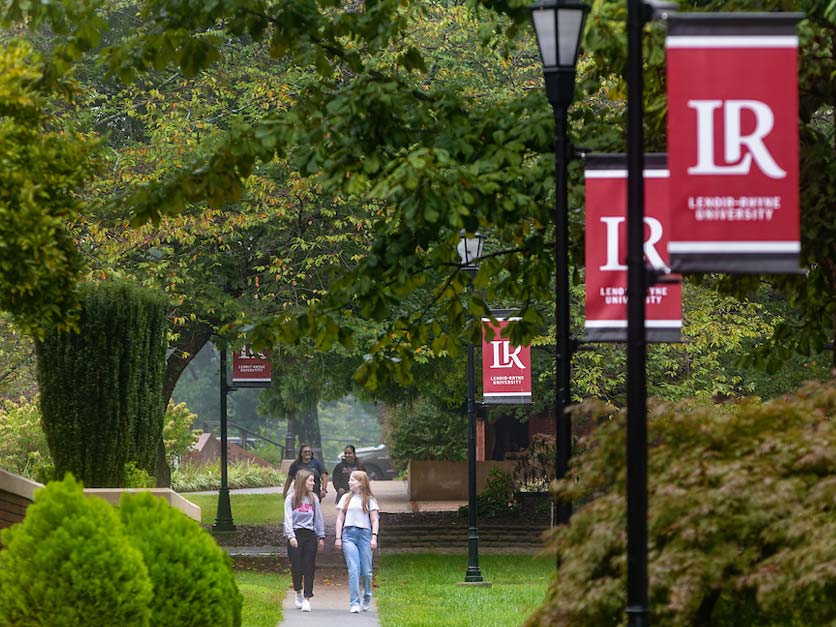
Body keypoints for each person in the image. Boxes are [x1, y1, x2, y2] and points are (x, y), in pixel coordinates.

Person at [334, 470, 379, 613]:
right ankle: (354, 602)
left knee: (366, 571)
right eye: (349, 479)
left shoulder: (370, 500)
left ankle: (367, 595)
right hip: (348, 535)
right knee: (353, 569)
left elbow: (374, 520)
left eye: (352, 480)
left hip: (365, 535)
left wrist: (374, 536)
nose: (349, 482)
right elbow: (340, 518)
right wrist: (338, 537)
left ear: (361, 482)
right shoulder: (346, 498)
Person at [283, 470, 325, 612]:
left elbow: (318, 518)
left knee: (309, 566)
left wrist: (321, 536)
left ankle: (307, 597)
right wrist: (291, 536)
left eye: (313, 480)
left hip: (309, 535)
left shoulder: (314, 498)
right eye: (311, 480)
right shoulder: (291, 499)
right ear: (302, 481)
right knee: (296, 567)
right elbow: (288, 518)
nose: (313, 483)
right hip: (295, 534)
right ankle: (298, 591)